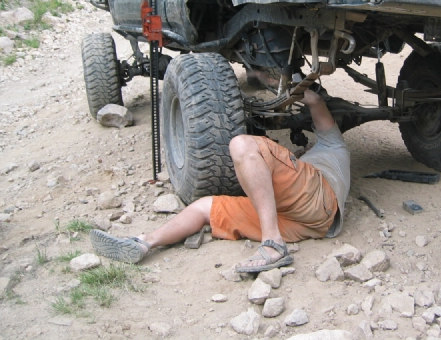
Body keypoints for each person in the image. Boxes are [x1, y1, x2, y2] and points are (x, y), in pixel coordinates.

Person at [90, 88, 350, 273]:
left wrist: (293, 87)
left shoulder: (333, 145)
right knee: (205, 207)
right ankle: (144, 242)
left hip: (319, 199)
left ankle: (272, 244)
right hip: (308, 225)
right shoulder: (307, 165)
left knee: (243, 145)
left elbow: (315, 102)